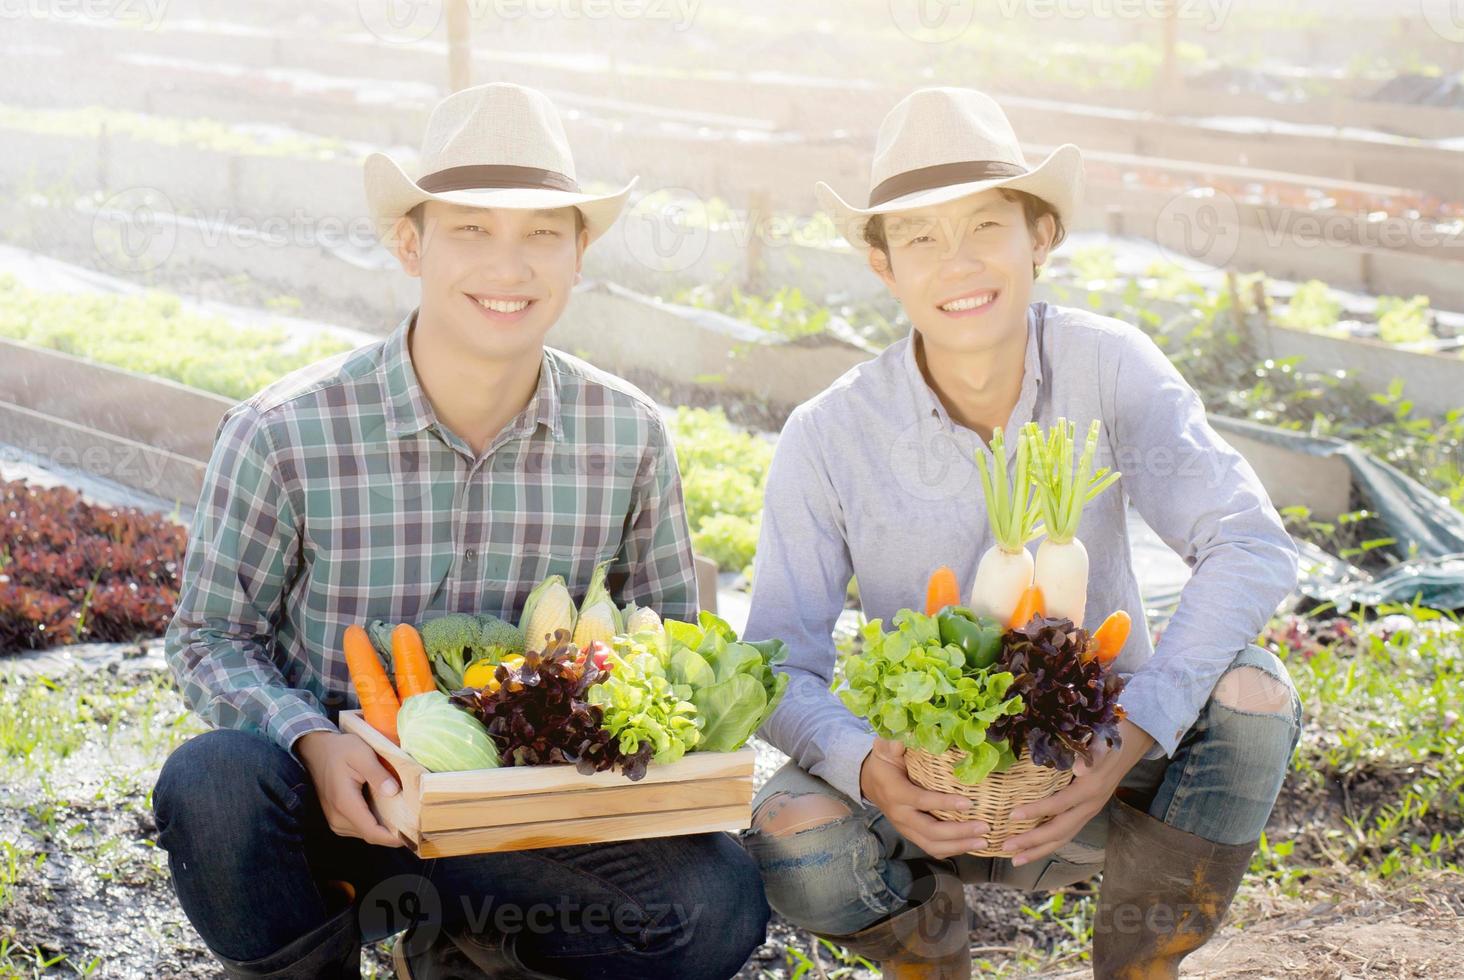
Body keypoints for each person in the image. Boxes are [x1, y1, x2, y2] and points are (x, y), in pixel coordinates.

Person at [152, 82, 769, 980]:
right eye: (470, 230)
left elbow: (666, 640)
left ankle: (477, 943)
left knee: (715, 907)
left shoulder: (625, 435)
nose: (507, 267)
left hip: (523, 825)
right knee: (212, 784)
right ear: (411, 244)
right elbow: (210, 637)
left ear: (579, 254)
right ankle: (314, 957)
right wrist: (312, 741)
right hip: (336, 811)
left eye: (540, 235)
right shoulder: (285, 431)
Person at [738, 87, 1303, 978]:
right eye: (919, 237)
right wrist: (866, 769)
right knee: (792, 835)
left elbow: (1249, 540)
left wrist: (1128, 738)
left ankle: (1140, 964)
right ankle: (929, 963)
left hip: (1101, 777)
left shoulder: (1108, 366)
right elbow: (774, 655)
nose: (955, 263)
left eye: (983, 227)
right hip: (922, 788)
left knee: (1253, 698)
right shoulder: (829, 432)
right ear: (883, 266)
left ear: (1039, 238)